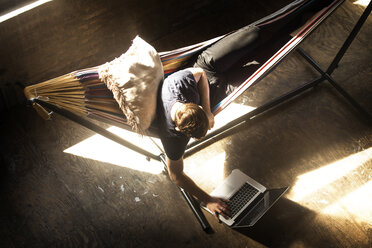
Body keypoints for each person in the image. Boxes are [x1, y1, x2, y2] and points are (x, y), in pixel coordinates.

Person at [155, 0, 331, 221]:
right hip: (225, 88)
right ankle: (305, 20)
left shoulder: (174, 86)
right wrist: (206, 198)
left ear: (192, 106)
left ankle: (303, 7)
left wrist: (208, 111)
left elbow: (199, 73)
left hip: (209, 66)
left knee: (254, 36)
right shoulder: (173, 137)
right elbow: (176, 175)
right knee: (272, 55)